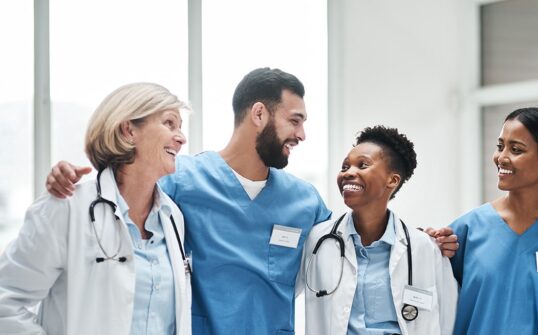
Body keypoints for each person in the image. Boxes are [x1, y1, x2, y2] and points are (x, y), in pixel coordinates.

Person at [44, 68, 331, 334]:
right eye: (294, 121)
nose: (301, 135)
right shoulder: (179, 180)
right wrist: (66, 174)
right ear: (259, 114)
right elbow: (117, 194)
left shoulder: (306, 202)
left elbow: (348, 255)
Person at [0, 82, 192, 334]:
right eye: (169, 123)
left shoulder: (172, 218)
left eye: (180, 127)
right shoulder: (67, 208)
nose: (181, 138)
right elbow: (7, 302)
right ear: (128, 130)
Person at [298, 126, 458, 335]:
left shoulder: (425, 248)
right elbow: (281, 290)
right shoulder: (318, 240)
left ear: (392, 180)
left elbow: (448, 320)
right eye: (345, 167)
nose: (348, 173)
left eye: (362, 165)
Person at [449, 107, 538, 334]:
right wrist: (425, 244)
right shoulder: (467, 230)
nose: (501, 157)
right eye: (500, 147)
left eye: (515, 149)